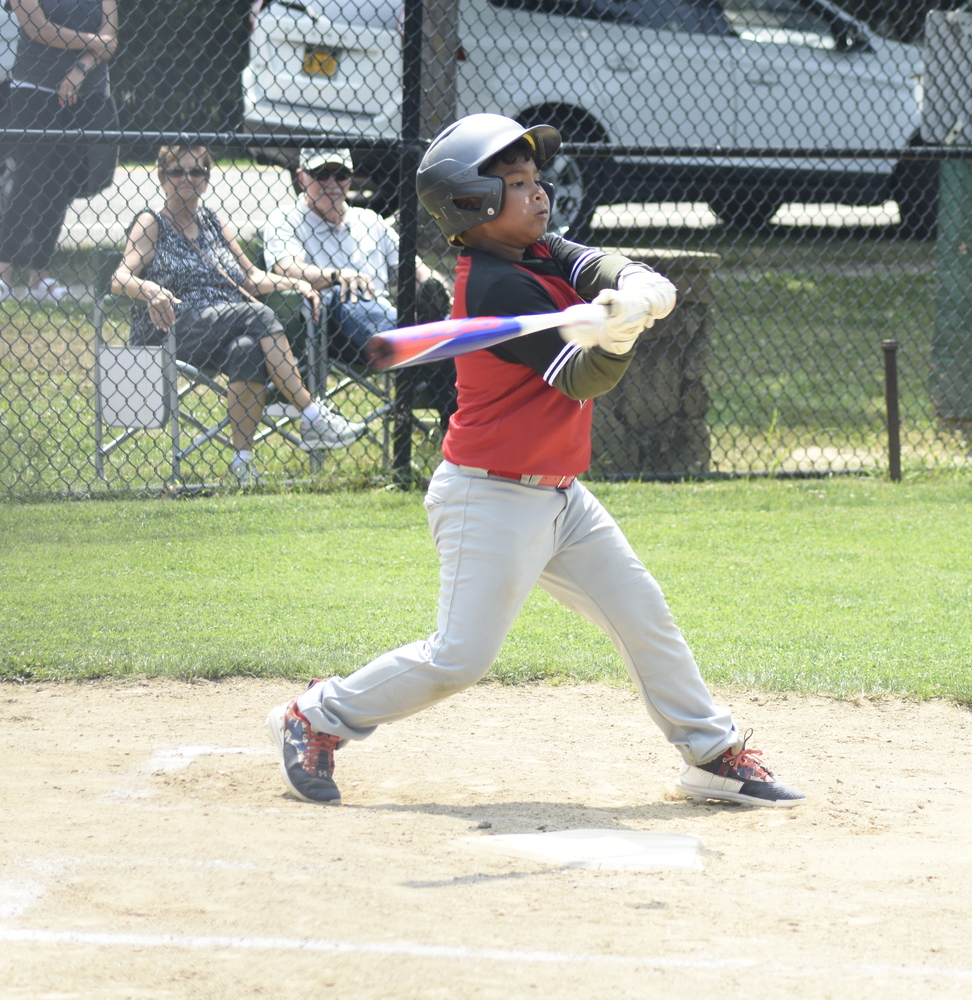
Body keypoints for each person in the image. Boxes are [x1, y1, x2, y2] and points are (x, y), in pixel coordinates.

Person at [266, 114, 806, 809]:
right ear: (474, 205)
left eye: (534, 179)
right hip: (489, 500)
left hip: (560, 497)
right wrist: (618, 339)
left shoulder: (538, 250)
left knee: (643, 614)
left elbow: (594, 262)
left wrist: (632, 286)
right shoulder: (492, 286)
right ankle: (316, 716)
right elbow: (583, 379)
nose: (539, 193)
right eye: (517, 184)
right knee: (460, 659)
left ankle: (711, 754)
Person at [112, 145, 367, 485]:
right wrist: (151, 291)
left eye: (197, 172)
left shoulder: (215, 223)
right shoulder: (151, 222)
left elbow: (250, 278)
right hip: (172, 327)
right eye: (177, 172)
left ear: (206, 180)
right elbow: (120, 279)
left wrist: (296, 283)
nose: (187, 179)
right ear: (162, 177)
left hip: (224, 326)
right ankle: (312, 416)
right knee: (258, 317)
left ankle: (241, 464)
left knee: (248, 347)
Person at [263, 148, 457, 427]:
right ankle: (422, 339)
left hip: (385, 317)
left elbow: (415, 269)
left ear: (351, 178)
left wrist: (438, 286)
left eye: (340, 174)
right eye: (321, 174)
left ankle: (430, 351)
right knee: (352, 296)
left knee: (453, 327)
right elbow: (286, 267)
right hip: (327, 326)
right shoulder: (286, 219)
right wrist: (337, 276)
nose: (331, 183)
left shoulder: (369, 221)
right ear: (301, 178)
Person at [0, 0, 120, 304]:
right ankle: (2, 276)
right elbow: (38, 28)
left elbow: (112, 39)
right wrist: (95, 42)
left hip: (86, 93)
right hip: (34, 90)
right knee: (29, 180)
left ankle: (39, 276)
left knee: (60, 184)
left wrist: (80, 69)